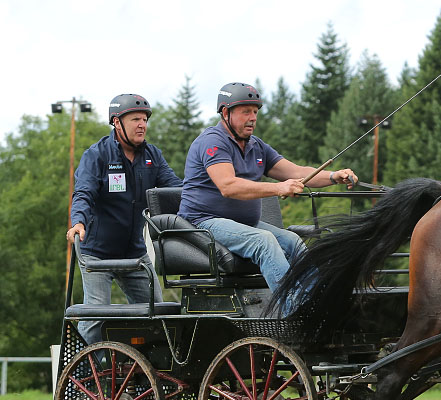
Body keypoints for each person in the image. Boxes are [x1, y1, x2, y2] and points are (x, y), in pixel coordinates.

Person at [178, 82, 356, 299]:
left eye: (255, 112)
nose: (253, 117)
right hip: (203, 221)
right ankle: (295, 309)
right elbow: (228, 186)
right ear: (225, 113)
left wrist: (333, 176)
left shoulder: (256, 146)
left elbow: (296, 171)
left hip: (242, 224)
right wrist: (278, 187)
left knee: (293, 241)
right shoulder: (212, 142)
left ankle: (318, 301)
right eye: (245, 112)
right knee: (265, 241)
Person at [66, 94, 183, 343]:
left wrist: (207, 199)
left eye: (144, 119)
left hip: (134, 253)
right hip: (96, 253)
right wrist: (78, 222)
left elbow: (175, 191)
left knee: (157, 314)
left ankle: (143, 374)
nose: (142, 124)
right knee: (96, 315)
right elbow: (83, 193)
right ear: (117, 123)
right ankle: (84, 376)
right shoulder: (97, 156)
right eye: (135, 119)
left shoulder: (153, 156)